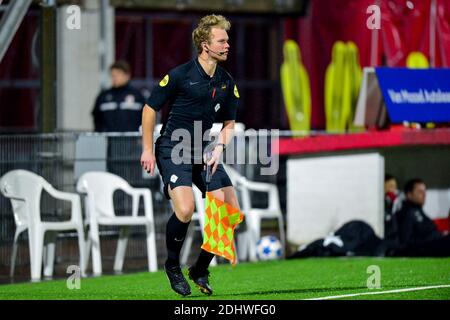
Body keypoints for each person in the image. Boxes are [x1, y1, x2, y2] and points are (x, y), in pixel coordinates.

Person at [140, 14, 241, 296]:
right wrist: (147, 149)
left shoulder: (226, 81)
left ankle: (199, 269)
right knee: (185, 210)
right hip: (173, 148)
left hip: (202, 150)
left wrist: (219, 146)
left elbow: (229, 125)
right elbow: (150, 109)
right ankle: (172, 266)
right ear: (205, 46)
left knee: (228, 212)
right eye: (221, 41)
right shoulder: (180, 75)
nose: (227, 45)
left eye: (228, 40)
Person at [392, 178, 450, 257]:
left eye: (424, 191)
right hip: (424, 248)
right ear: (409, 194)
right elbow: (405, 242)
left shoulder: (419, 210)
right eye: (420, 192)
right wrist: (431, 241)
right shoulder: (407, 213)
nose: (424, 194)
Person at [92, 61, 146, 132]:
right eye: (113, 75)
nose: (115, 78)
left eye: (118, 75)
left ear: (127, 76)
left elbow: (146, 118)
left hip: (133, 140)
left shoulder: (138, 96)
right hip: (108, 140)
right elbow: (96, 118)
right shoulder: (103, 96)